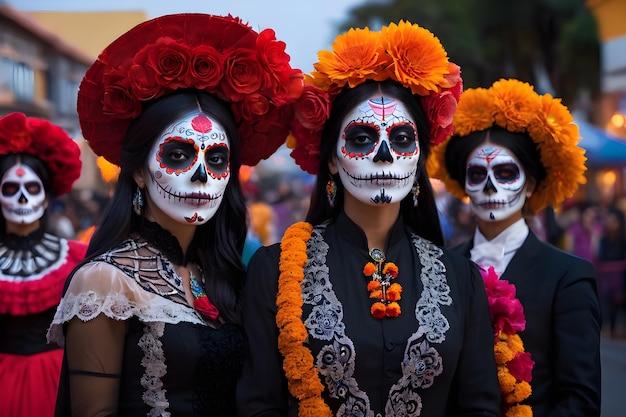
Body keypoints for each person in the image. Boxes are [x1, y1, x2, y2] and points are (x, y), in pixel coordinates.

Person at [237, 21, 500, 417]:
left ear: (418, 158)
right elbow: (258, 405)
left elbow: (479, 406)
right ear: (330, 157)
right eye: (361, 138)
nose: (383, 155)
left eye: (401, 139)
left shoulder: (461, 279)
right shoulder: (272, 272)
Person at [46, 13, 303, 416]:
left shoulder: (224, 272)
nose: (202, 175)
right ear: (139, 173)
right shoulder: (105, 283)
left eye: (217, 159)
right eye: (178, 155)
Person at [430, 78, 602, 416]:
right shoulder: (438, 268)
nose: (490, 186)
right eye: (477, 174)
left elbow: (580, 401)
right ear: (464, 186)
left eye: (506, 172)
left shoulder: (568, 277)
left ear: (531, 185)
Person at [0, 112, 86, 417]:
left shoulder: (78, 257)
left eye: (32, 189)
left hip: (59, 382)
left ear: (47, 196)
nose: (22, 199)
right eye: (10, 189)